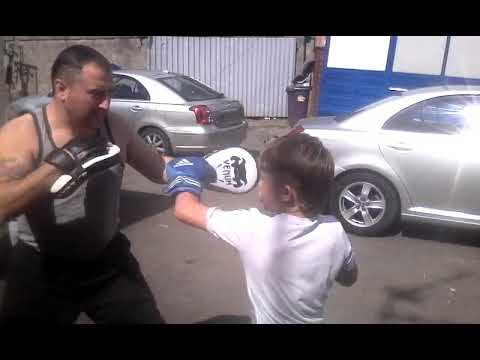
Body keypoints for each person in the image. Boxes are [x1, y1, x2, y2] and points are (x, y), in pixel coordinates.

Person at [0, 45, 171, 323]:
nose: (106, 103)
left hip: (106, 260)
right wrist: (55, 168)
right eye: (96, 94)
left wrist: (201, 170)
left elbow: (159, 169)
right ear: (61, 89)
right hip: (42, 266)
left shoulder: (115, 126)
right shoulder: (24, 133)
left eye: (109, 93)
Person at [166, 133, 358, 324]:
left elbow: (185, 209)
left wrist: (186, 178)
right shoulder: (335, 231)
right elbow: (349, 278)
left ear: (284, 193)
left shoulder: (253, 227)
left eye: (264, 180)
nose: (259, 184)